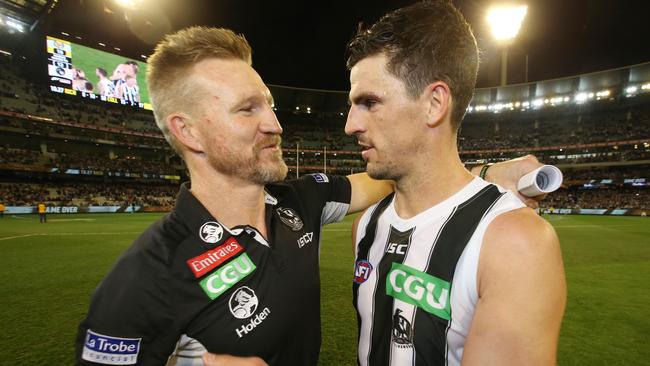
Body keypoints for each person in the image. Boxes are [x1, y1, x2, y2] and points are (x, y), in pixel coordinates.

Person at [76, 26, 546, 366]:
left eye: (269, 104)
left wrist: (484, 174)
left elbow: (397, 171)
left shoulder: (302, 202)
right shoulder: (144, 277)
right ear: (189, 132)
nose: (274, 124)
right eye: (247, 109)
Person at [344, 2, 566, 365]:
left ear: (434, 104)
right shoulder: (366, 227)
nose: (351, 125)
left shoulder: (514, 243)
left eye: (369, 102)